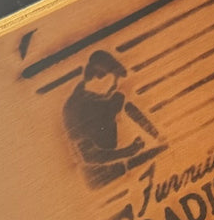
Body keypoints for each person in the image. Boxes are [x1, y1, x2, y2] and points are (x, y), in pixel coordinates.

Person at [62, 50, 165, 188]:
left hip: (126, 172)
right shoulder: (73, 107)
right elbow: (88, 156)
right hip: (99, 181)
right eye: (113, 81)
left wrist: (158, 136)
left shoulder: (109, 97)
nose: (115, 86)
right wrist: (129, 151)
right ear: (97, 77)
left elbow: (134, 112)